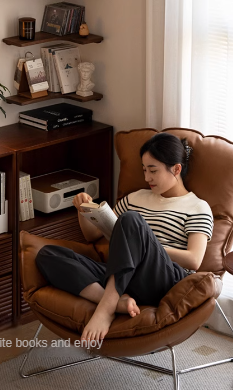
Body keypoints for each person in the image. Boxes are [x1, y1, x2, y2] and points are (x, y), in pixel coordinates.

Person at [35, 133, 213, 343]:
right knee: (47, 254)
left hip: (162, 279)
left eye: (153, 171)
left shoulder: (197, 207)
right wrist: (83, 210)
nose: (147, 178)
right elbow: (91, 235)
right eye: (144, 170)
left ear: (176, 169)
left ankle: (106, 309)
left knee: (131, 220)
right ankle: (116, 302)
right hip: (123, 275)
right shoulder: (135, 198)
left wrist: (144, 247)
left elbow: (194, 259)